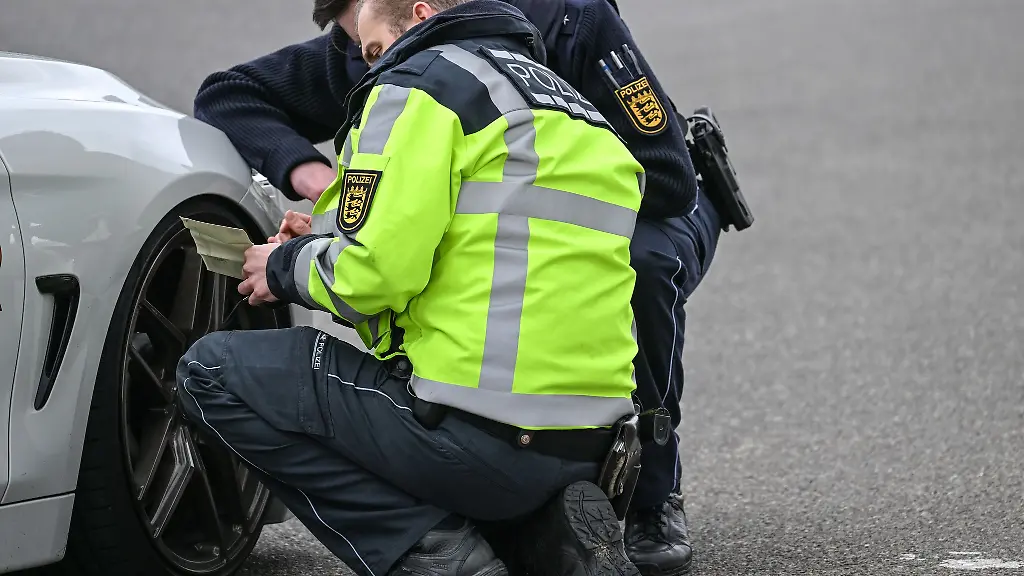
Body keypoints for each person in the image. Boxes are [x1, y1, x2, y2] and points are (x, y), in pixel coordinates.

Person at [193, 0, 729, 573]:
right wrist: (336, 226)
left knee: (211, 371)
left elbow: (374, 278)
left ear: (420, 13)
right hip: (594, 447)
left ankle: (447, 553)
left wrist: (284, 265)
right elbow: (488, 240)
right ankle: (546, 536)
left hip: (479, 434)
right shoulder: (573, 110)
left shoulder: (424, 84)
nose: (368, 67)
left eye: (371, 49)